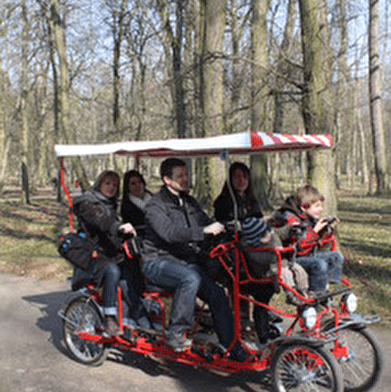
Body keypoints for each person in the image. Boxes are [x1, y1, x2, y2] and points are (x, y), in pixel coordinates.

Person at [141, 158, 249, 360]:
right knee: (190, 278)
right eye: (179, 176)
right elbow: (169, 233)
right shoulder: (155, 206)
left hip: (184, 262)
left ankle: (230, 344)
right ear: (167, 179)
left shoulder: (188, 201)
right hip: (156, 262)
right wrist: (203, 231)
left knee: (217, 293)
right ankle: (176, 333)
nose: (185, 179)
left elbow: (206, 222)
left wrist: (226, 226)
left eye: (185, 175)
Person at [72, 170, 151, 335]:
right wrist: (118, 227)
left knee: (129, 283)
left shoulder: (112, 204)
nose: (111, 187)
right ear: (100, 183)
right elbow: (101, 221)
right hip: (90, 256)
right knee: (112, 270)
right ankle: (109, 317)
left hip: (109, 255)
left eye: (115, 185)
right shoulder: (86, 204)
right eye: (108, 183)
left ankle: (145, 326)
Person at [213, 162, 279, 345]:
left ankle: (262, 331)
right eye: (236, 176)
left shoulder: (252, 200)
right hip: (234, 259)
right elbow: (228, 227)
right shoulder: (223, 202)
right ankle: (243, 328)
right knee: (245, 286)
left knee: (265, 289)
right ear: (230, 180)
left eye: (244, 176)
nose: (241, 180)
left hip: (254, 251)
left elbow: (258, 224)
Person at [271, 185, 343, 295]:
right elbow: (300, 246)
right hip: (292, 258)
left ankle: (325, 287)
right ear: (304, 207)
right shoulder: (290, 218)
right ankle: (315, 295)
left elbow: (319, 244)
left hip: (306, 254)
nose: (321, 209)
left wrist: (328, 230)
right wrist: (315, 231)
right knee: (320, 264)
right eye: (317, 206)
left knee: (336, 256)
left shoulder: (307, 217)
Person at [121, 170, 153, 238]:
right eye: (133, 184)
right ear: (127, 186)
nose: (137, 186)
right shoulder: (126, 206)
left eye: (139, 182)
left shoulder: (155, 199)